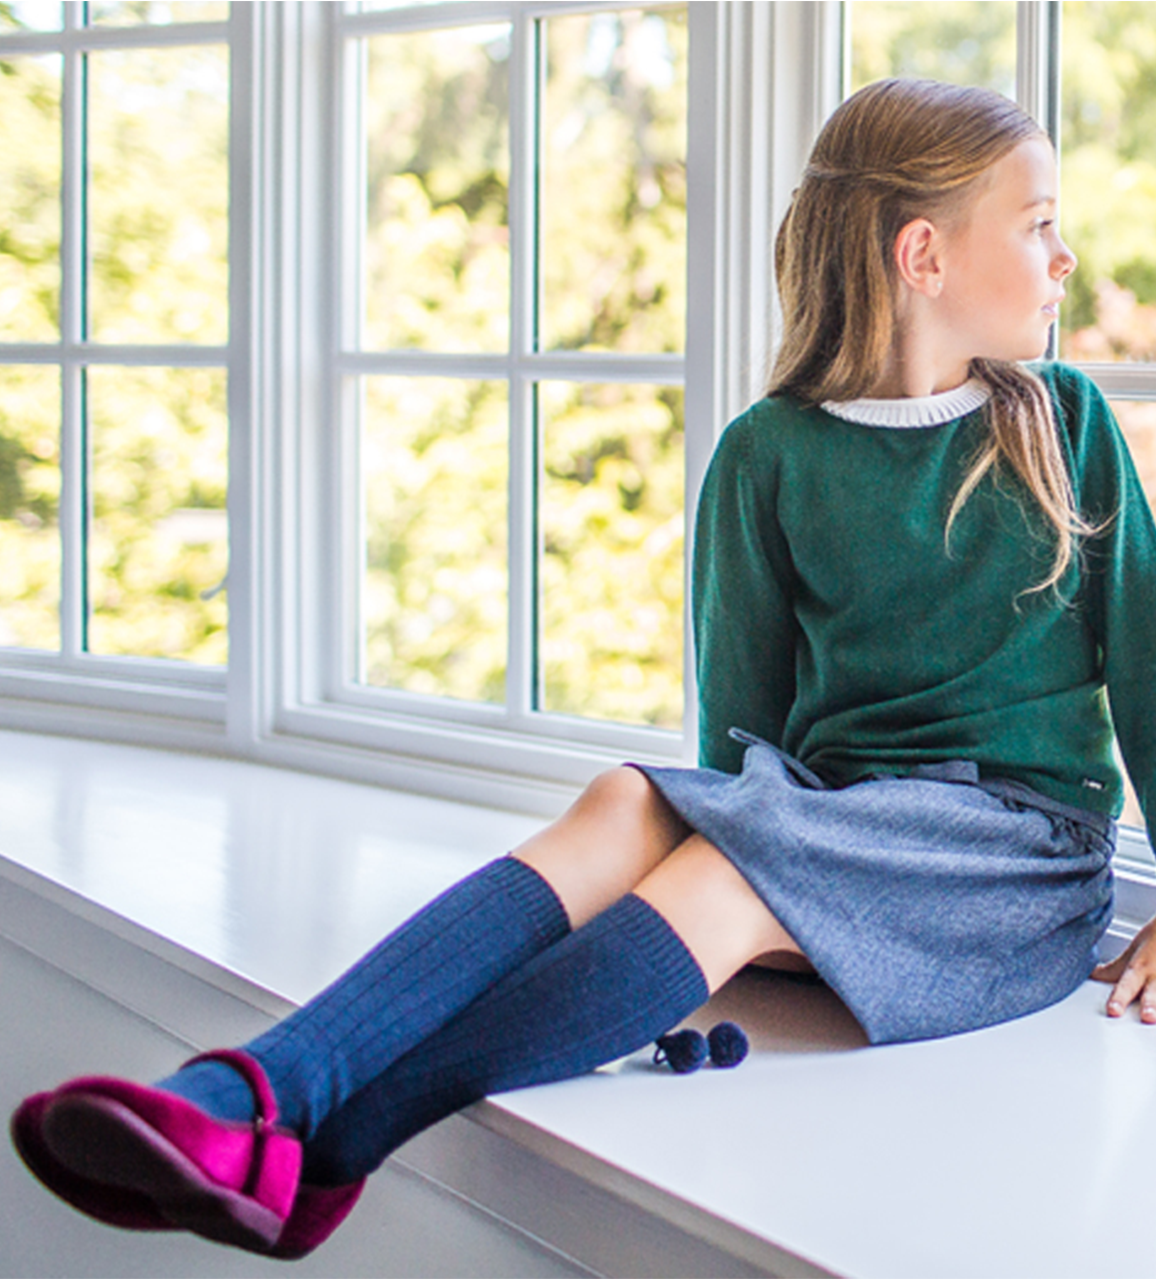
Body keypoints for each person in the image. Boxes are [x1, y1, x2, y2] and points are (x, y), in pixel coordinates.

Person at [11, 76, 1156, 1260]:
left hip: (1014, 856)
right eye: (1036, 222)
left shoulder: (1060, 424)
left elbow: (1150, 670)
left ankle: (330, 1138)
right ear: (922, 253)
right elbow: (739, 745)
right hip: (841, 833)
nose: (1064, 256)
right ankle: (237, 1090)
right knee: (628, 797)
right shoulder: (769, 454)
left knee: (717, 876)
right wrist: (682, 960)